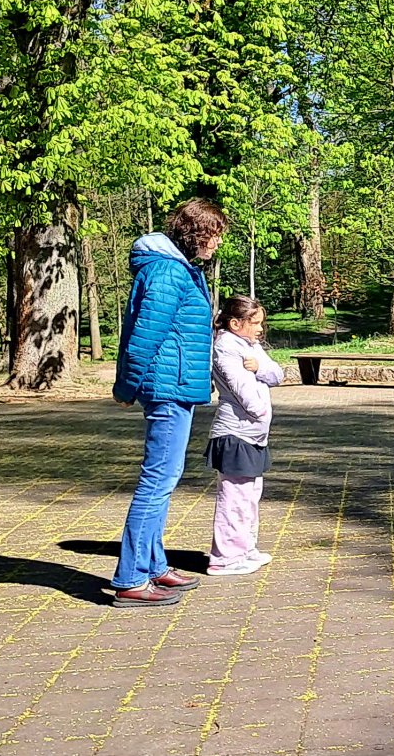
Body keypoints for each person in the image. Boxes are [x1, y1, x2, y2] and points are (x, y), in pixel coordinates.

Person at [110, 198, 230, 608]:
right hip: (167, 388)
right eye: (214, 234)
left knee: (166, 476)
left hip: (176, 385)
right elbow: (144, 336)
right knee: (157, 480)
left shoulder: (178, 269)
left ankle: (154, 564)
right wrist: (126, 388)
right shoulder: (168, 271)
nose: (217, 243)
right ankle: (130, 578)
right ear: (195, 233)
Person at [205, 296, 283, 576]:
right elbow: (240, 388)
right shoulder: (225, 346)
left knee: (250, 496)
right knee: (234, 498)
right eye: (255, 323)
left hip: (254, 435)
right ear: (235, 323)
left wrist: (260, 367)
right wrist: (259, 411)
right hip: (235, 433)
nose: (260, 329)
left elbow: (277, 375)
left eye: (261, 323)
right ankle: (224, 558)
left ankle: (245, 549)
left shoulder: (250, 345)